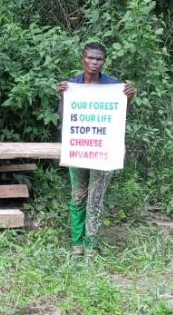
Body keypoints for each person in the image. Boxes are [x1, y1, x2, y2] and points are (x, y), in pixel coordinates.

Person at [57, 42, 136, 257]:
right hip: (79, 150)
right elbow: (66, 118)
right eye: (91, 58)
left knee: (96, 199)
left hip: (103, 152)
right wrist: (63, 96)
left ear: (104, 62)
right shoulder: (72, 85)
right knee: (78, 197)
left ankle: (91, 247)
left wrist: (129, 97)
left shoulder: (113, 86)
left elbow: (118, 116)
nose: (94, 62)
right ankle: (77, 246)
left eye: (99, 59)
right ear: (82, 58)